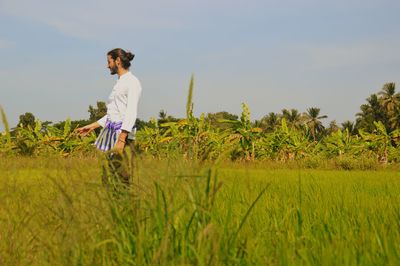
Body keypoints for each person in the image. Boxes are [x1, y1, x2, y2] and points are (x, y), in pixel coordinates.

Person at [76, 48, 142, 184]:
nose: (107, 66)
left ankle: (126, 205)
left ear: (117, 61)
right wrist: (92, 126)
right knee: (108, 178)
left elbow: (131, 112)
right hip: (113, 136)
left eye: (109, 61)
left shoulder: (132, 82)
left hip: (123, 138)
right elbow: (114, 114)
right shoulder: (120, 82)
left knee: (121, 180)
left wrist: (122, 140)